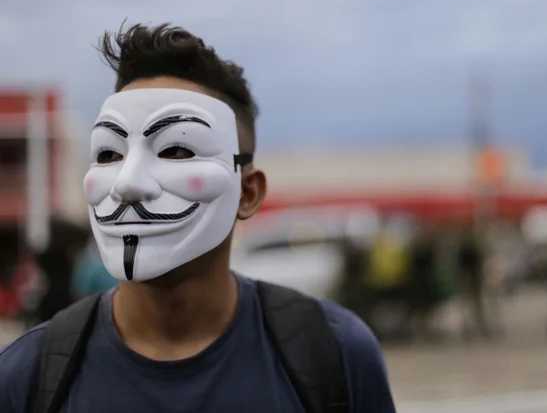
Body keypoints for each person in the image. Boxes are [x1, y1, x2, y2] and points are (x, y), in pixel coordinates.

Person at [0, 23, 395, 413]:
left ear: (248, 192)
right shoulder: (27, 375)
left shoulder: (334, 354)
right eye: (108, 153)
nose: (127, 183)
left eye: (175, 150)